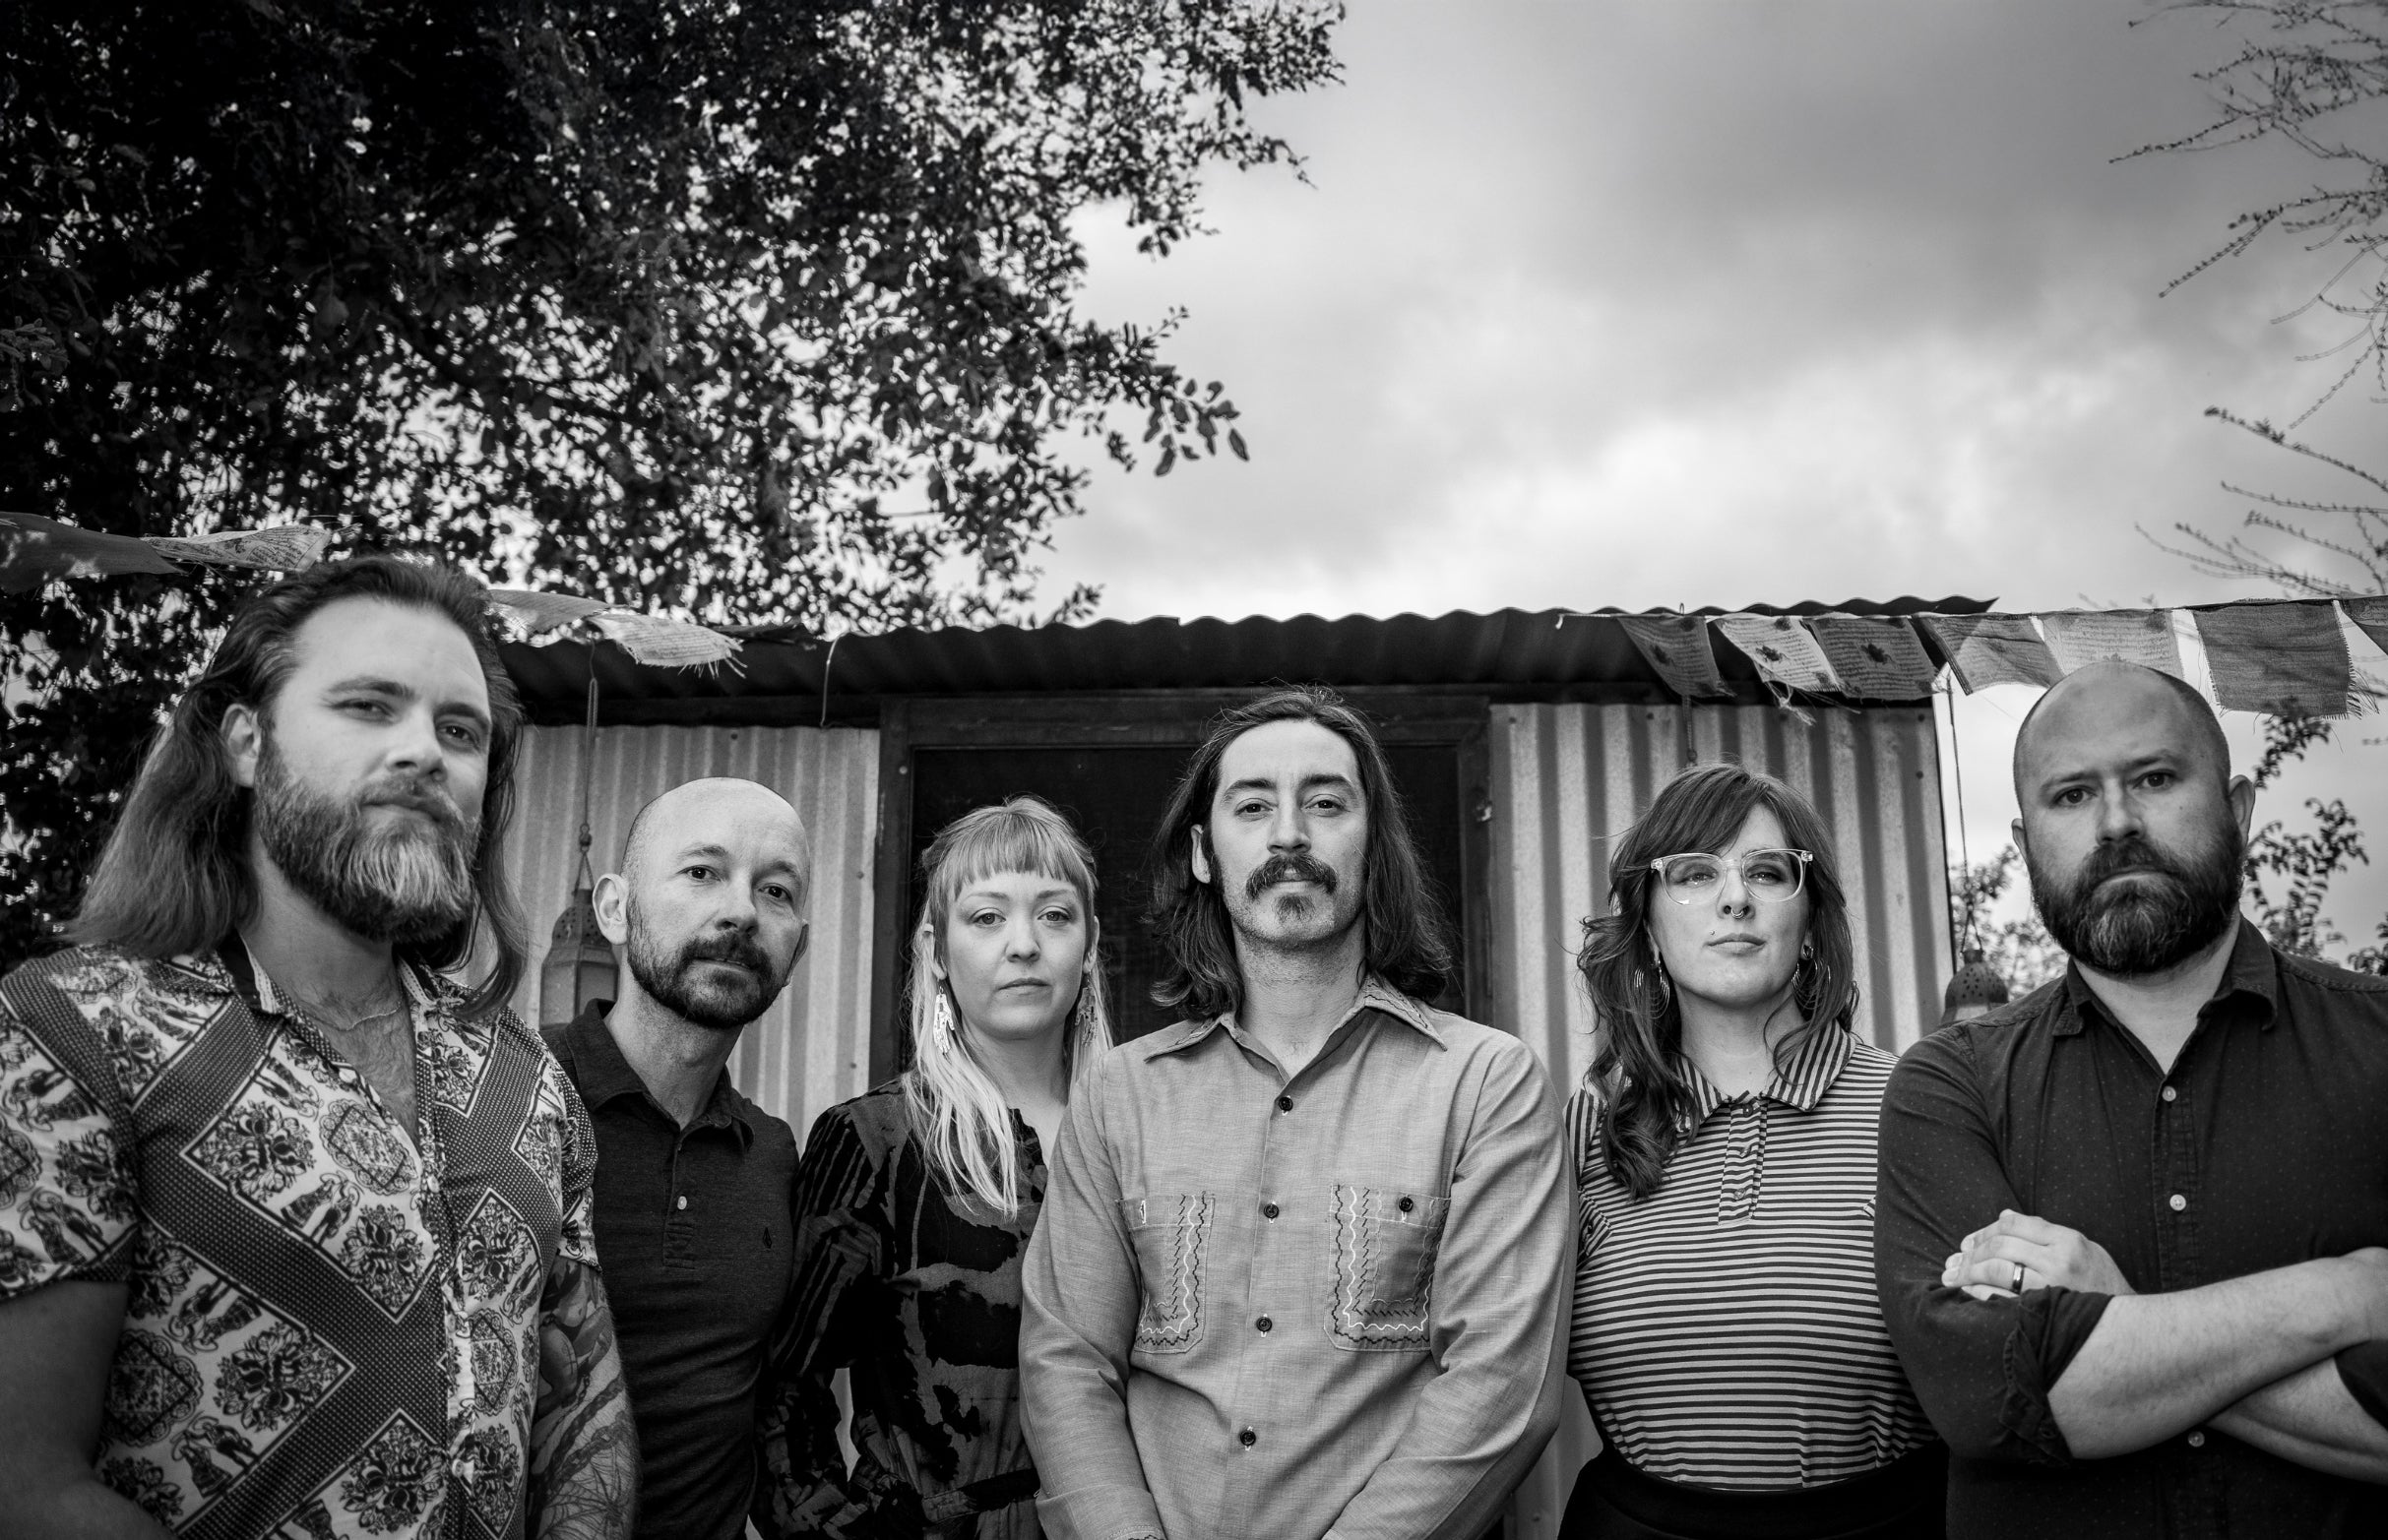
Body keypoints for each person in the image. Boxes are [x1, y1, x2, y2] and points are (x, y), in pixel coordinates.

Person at [0, 556, 636, 1538]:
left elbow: (584, 1412)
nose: (425, 751)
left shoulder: (527, 1078)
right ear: (246, 744)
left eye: (459, 730)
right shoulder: (74, 1031)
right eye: (369, 705)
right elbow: (24, 1483)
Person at [1020, 686, 1570, 1540]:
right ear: (1204, 853)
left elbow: (1498, 1387)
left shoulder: (1485, 1084)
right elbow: (1066, 1364)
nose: (1289, 835)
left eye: (1325, 803)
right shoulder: (1118, 1095)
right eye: (1253, 806)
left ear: (1372, 845)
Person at [1877, 660, 2388, 1538]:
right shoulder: (1949, 1084)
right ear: (2025, 841)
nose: (2116, 822)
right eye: (2072, 794)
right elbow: (1989, 1397)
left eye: (2153, 777)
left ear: (2237, 808)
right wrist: (2346, 1293)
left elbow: (2065, 1379)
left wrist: (2112, 1318)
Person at [1560, 763, 1943, 1540]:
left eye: (1767, 872)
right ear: (1648, 923)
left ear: (1811, 916)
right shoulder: (1587, 1127)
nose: (1735, 897)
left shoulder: (1918, 1107)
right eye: (1695, 874)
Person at [754, 796, 1114, 1538]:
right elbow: (784, 1396)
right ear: (937, 949)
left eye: (1054, 915)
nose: (1024, 944)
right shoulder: (876, 1140)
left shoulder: (1140, 1137)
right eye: (987, 917)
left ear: (1090, 944)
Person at [541, 778, 813, 1540]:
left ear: (798, 947)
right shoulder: (509, 1096)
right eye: (702, 871)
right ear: (614, 908)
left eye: (776, 890)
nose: (741, 911)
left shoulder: (773, 1155)